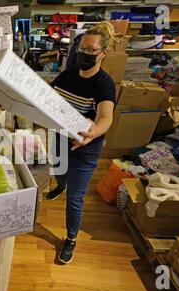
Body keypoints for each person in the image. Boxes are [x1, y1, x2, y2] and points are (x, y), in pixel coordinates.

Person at [46, 21, 117, 264]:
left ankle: (71, 238)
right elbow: (46, 96)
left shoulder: (104, 84)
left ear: (103, 53)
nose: (84, 54)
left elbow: (106, 116)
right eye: (82, 49)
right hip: (60, 139)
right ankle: (60, 185)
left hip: (85, 148)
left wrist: (95, 130)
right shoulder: (67, 75)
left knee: (75, 198)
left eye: (90, 50)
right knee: (58, 170)